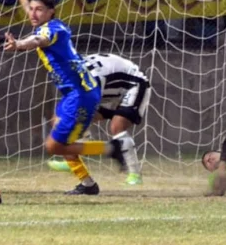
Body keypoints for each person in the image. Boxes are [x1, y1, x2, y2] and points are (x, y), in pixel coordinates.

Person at [5, 0, 137, 181]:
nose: (33, 13)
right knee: (58, 130)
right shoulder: (42, 23)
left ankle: (112, 149)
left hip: (81, 94)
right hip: (76, 93)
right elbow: (27, 6)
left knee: (54, 146)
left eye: (39, 10)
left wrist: (19, 43)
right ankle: (87, 183)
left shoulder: (54, 29)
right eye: (32, 9)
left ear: (51, 12)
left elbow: (39, 41)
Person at [48, 53, 151, 192]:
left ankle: (134, 174)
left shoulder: (93, 78)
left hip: (133, 85)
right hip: (109, 89)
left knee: (116, 126)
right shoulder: (73, 71)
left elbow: (88, 104)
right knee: (60, 119)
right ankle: (81, 174)